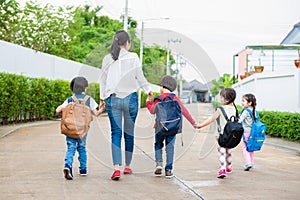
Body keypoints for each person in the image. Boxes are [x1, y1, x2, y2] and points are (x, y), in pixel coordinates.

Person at [99, 30, 153, 181]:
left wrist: (102, 98)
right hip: (130, 99)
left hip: (113, 99)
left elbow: (102, 80)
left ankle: (116, 168)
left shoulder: (107, 59)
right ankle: (127, 166)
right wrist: (148, 90)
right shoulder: (134, 57)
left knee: (115, 133)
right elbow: (140, 76)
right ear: (127, 42)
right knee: (129, 133)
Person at [146, 75, 197, 178]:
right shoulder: (175, 98)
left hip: (159, 128)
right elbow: (184, 111)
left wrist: (148, 101)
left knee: (158, 145)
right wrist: (193, 122)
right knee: (170, 147)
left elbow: (152, 111)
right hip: (173, 128)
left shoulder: (158, 99)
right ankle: (169, 170)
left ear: (162, 86)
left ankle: (159, 164)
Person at [56, 76, 103, 180]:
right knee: (82, 148)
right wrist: (101, 107)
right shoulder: (89, 99)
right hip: (82, 130)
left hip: (70, 129)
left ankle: (68, 165)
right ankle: (83, 169)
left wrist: (62, 108)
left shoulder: (70, 99)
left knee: (70, 148)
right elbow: (96, 113)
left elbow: (58, 110)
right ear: (85, 88)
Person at [195, 88, 237, 178]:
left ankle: (222, 169)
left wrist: (200, 125)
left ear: (227, 99)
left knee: (222, 152)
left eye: (221, 97)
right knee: (229, 151)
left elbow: (211, 119)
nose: (220, 99)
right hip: (231, 135)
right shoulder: (235, 109)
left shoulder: (220, 109)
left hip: (221, 135)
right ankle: (229, 167)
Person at [238, 93, 257, 171]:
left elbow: (240, 121)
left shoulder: (246, 111)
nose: (242, 102)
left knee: (245, 148)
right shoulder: (254, 111)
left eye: (243, 101)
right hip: (253, 132)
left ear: (249, 103)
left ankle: (248, 163)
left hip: (246, 132)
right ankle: (251, 163)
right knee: (251, 148)